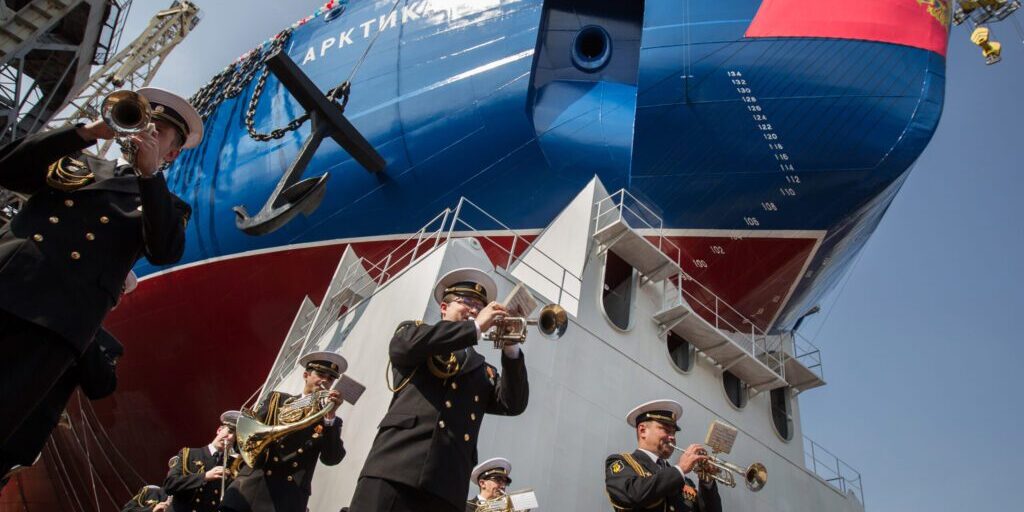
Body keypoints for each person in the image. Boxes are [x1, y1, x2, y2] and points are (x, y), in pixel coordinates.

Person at [0, 87, 202, 445]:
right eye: (145, 120)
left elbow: (165, 250)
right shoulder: (79, 162)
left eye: (159, 130)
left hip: (54, 325)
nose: (147, 130)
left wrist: (149, 176)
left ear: (171, 152)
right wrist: (88, 132)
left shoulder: (168, 205)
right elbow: (8, 168)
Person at [348, 268, 530, 512]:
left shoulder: (483, 370)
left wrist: (511, 349)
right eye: (466, 302)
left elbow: (513, 404)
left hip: (448, 486)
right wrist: (474, 327)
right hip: (396, 467)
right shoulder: (413, 333)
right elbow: (403, 348)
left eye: (479, 306)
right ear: (444, 307)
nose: (474, 309)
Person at [221, 351, 346, 512]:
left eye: (330, 379)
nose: (325, 381)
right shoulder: (277, 400)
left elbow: (331, 458)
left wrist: (330, 417)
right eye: (320, 374)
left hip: (287, 497)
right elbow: (245, 438)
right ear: (306, 375)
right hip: (253, 486)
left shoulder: (330, 421)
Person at [0, 327, 124, 485]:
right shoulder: (25, 308)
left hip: (17, 438)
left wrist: (82, 329)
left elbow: (100, 387)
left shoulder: (103, 344)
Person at [605, 400, 722, 512]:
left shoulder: (685, 482)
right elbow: (632, 494)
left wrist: (707, 481)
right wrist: (680, 469)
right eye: (666, 430)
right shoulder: (622, 462)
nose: (672, 437)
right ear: (643, 431)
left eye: (673, 432)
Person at [163, 410, 241, 512]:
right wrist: (205, 476)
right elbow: (170, 485)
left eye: (235, 437)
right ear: (219, 430)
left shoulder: (231, 466)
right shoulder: (189, 454)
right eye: (229, 431)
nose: (230, 438)